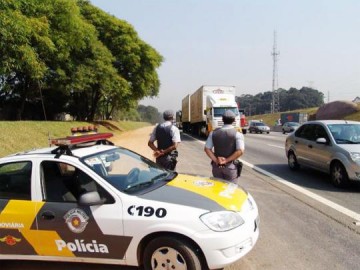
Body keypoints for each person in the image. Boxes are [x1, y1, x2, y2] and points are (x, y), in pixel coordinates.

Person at [204, 110, 245, 183]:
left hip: (217, 167)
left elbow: (207, 149)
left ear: (222, 119)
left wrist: (216, 160)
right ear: (234, 120)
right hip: (230, 167)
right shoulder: (237, 134)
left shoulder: (213, 133)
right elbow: (240, 151)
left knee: (217, 188)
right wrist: (226, 160)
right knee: (231, 189)